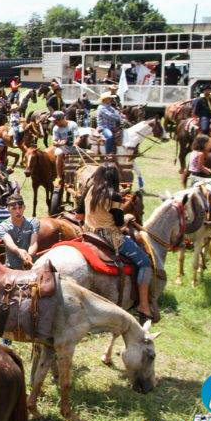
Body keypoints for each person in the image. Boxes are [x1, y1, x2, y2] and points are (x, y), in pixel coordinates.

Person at [79, 164, 152, 320]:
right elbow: (119, 224)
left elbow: (79, 215)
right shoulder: (114, 196)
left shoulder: (89, 191)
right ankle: (144, 305)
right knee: (145, 262)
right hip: (111, 237)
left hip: (88, 234)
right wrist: (128, 217)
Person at [51, 111, 78, 186]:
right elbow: (55, 140)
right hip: (62, 147)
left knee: (90, 153)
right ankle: (59, 176)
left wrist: (76, 142)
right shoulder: (55, 128)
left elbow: (77, 136)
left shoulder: (72, 124)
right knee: (59, 153)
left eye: (55, 121)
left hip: (73, 146)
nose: (54, 123)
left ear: (61, 119)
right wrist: (57, 143)